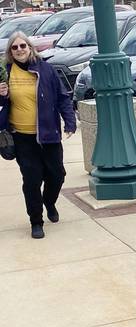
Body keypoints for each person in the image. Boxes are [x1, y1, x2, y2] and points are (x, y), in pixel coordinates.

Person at [0, 31, 75, 239]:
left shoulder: (46, 69)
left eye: (22, 46)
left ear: (29, 47)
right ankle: (36, 220)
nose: (19, 50)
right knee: (32, 179)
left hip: (48, 133)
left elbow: (62, 98)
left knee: (57, 175)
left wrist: (69, 121)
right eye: (14, 48)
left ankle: (49, 202)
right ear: (10, 52)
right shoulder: (6, 73)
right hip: (22, 137)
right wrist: (1, 95)